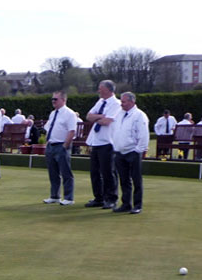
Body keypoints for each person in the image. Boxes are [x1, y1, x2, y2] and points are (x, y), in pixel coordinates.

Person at [84, 80, 121, 209]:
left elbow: (107, 121)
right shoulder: (100, 102)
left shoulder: (116, 104)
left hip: (107, 141)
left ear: (108, 90)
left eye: (101, 88)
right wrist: (101, 116)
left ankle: (111, 198)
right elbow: (88, 116)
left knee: (108, 172)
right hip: (96, 141)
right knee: (95, 172)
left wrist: (97, 118)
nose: (98, 90)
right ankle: (98, 197)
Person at [111, 92, 149, 214]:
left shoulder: (139, 115)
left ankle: (137, 205)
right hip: (120, 151)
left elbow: (143, 135)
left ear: (132, 102)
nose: (121, 104)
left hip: (133, 151)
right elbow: (115, 130)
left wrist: (138, 150)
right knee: (124, 180)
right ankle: (126, 204)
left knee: (136, 179)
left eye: (124, 102)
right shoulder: (119, 114)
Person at [43, 91, 77, 205]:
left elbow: (72, 131)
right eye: (52, 99)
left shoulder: (69, 114)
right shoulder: (53, 113)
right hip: (51, 145)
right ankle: (54, 196)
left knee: (65, 172)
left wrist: (65, 146)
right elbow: (49, 128)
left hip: (61, 145)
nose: (53, 101)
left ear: (63, 100)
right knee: (53, 173)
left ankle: (69, 198)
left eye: (55, 99)